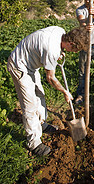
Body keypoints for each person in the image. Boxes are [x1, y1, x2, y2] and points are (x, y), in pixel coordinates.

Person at [7, 26, 88, 157]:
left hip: (31, 65)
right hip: (19, 66)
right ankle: (33, 143)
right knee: (30, 105)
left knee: (40, 95)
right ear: (71, 43)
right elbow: (50, 78)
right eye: (74, 49)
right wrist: (64, 91)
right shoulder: (51, 50)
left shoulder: (60, 31)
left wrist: (60, 52)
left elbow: (46, 47)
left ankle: (41, 124)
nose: (73, 52)